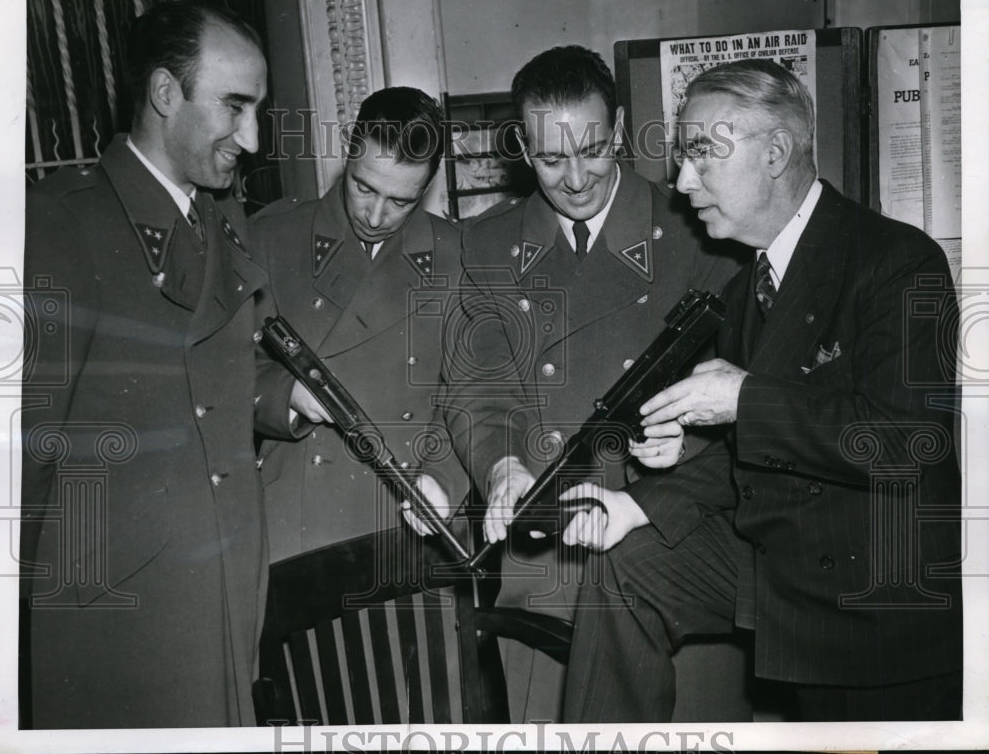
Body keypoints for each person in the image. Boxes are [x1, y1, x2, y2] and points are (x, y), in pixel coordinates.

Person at [561, 59, 963, 722]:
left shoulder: (897, 260)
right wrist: (639, 504)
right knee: (623, 569)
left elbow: (904, 442)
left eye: (699, 156)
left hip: (874, 598)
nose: (682, 182)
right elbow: (751, 454)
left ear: (775, 152)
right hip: (784, 562)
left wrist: (742, 401)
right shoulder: (747, 289)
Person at [444, 46, 743, 722]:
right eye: (551, 160)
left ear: (620, 127)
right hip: (544, 558)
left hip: (670, 555)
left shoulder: (701, 233)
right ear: (522, 147)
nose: (576, 178)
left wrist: (684, 443)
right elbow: (477, 382)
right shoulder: (484, 246)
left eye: (594, 149)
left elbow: (742, 402)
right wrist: (502, 467)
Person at [21, 0, 282, 728]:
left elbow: (217, 383)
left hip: (228, 591)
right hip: (124, 623)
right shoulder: (59, 224)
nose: (253, 137)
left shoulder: (216, 216)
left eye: (258, 110)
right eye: (235, 107)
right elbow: (21, 455)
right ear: (166, 94)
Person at [250, 87, 468, 561]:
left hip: (409, 510)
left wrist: (446, 480)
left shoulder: (456, 253)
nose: (375, 215)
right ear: (349, 147)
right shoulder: (271, 238)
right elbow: (218, 372)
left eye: (400, 202)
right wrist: (287, 397)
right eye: (364, 187)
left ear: (428, 184)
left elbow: (473, 394)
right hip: (301, 514)